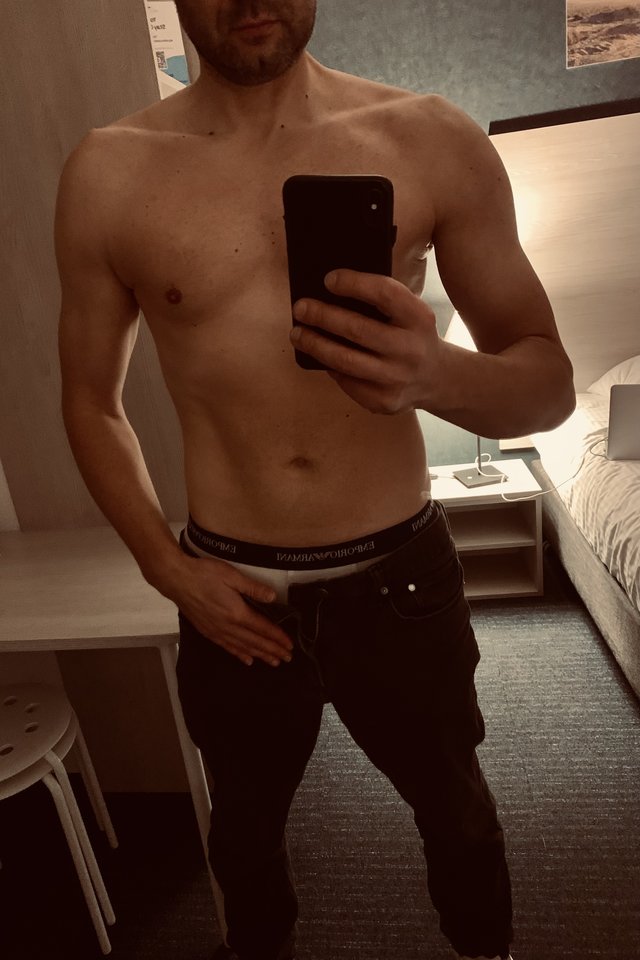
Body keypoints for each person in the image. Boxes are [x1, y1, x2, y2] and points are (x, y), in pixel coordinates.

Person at [55, 2, 575, 958]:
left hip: (401, 581)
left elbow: (547, 386)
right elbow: (91, 402)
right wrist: (165, 567)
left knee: (459, 818)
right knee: (245, 841)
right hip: (232, 589)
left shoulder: (430, 139)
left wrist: (437, 374)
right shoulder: (110, 170)